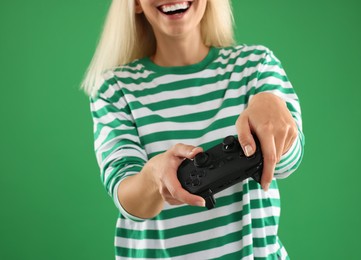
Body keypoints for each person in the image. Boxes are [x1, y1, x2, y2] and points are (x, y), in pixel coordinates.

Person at [82, 0, 304, 259]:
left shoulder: (255, 66)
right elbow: (127, 198)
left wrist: (274, 107)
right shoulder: (114, 88)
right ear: (135, 4)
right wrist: (154, 177)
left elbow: (287, 163)